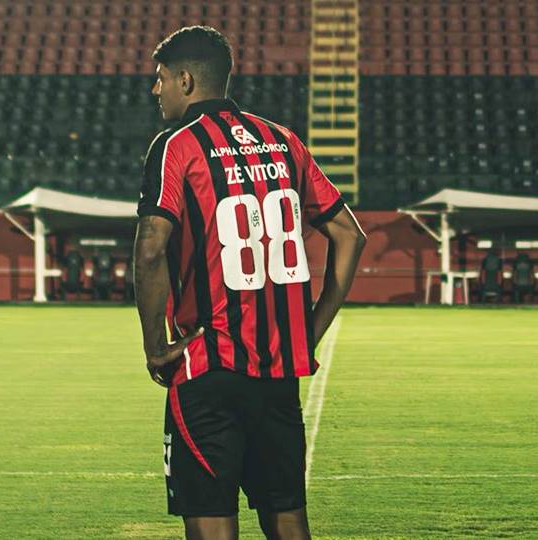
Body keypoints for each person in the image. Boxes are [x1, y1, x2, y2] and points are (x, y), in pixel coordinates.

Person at [133, 26, 366, 540]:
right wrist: (308, 331)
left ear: (186, 80)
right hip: (278, 372)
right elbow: (350, 236)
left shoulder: (177, 146)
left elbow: (150, 248)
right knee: (288, 519)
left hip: (209, 367)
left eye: (161, 78)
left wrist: (155, 347)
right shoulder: (283, 141)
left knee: (212, 524)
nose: (156, 89)